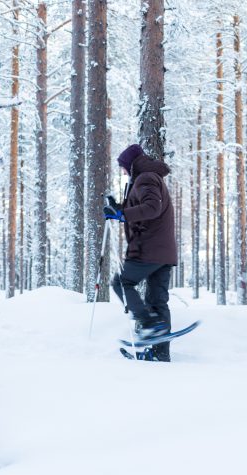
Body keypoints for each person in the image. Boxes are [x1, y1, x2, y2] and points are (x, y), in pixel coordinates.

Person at [104, 144, 176, 362]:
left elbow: (152, 208)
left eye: (123, 168)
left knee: (121, 283)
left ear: (130, 165)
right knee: (157, 301)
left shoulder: (145, 178)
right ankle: (160, 354)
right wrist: (118, 207)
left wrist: (121, 215)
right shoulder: (149, 178)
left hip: (149, 248)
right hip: (163, 252)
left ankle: (149, 325)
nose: (122, 172)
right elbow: (142, 206)